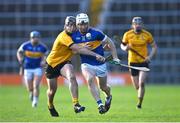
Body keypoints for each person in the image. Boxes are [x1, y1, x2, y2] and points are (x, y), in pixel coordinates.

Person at [45, 16, 105, 117]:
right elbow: (77, 48)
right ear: (65, 26)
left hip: (65, 63)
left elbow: (88, 46)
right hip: (52, 64)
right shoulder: (63, 36)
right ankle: (50, 105)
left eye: (73, 25)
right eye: (69, 25)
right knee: (52, 91)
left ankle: (76, 104)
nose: (71, 27)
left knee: (72, 77)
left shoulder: (76, 36)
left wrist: (103, 48)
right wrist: (95, 55)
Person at [71, 13, 120, 114]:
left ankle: (108, 96)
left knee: (104, 87)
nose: (83, 26)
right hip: (86, 64)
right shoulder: (74, 36)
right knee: (89, 79)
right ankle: (100, 104)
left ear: (88, 23)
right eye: (80, 24)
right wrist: (82, 49)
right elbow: (73, 52)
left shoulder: (96, 33)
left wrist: (115, 58)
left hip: (100, 65)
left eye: (85, 24)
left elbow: (110, 42)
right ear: (77, 24)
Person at [120, 17, 157, 109]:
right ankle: (140, 98)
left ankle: (139, 103)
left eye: (139, 24)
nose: (138, 25)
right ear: (132, 25)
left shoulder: (147, 35)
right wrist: (125, 48)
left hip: (143, 62)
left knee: (142, 83)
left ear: (142, 25)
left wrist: (149, 57)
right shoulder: (127, 34)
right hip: (132, 62)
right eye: (136, 24)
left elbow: (154, 47)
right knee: (137, 86)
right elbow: (122, 45)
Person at [17, 31, 48, 108]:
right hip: (27, 68)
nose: (35, 39)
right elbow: (19, 52)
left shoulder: (43, 47)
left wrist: (44, 61)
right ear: (31, 38)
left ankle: (35, 101)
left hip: (37, 68)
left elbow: (46, 55)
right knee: (30, 88)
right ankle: (31, 93)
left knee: (36, 85)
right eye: (34, 38)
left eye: (37, 37)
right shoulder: (25, 45)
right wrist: (20, 60)